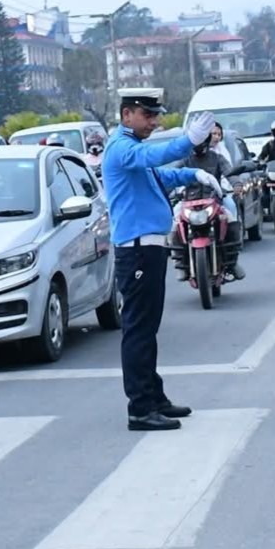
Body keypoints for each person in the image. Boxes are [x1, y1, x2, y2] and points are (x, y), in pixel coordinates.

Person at [101, 89, 218, 430]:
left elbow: (159, 176)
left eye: (155, 115)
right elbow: (155, 158)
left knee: (147, 328)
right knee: (138, 329)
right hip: (136, 248)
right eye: (147, 115)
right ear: (126, 115)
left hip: (147, 247)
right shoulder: (122, 148)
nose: (154, 121)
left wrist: (193, 175)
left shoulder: (131, 149)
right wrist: (187, 141)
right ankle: (140, 407)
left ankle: (154, 396)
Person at [173, 123, 245, 282]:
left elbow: (230, 173)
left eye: (201, 140)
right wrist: (164, 191)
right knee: (174, 223)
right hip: (188, 202)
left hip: (214, 200)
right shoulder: (185, 160)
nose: (198, 145)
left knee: (231, 218)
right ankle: (180, 262)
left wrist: (237, 185)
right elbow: (171, 175)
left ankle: (232, 262)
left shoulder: (217, 158)